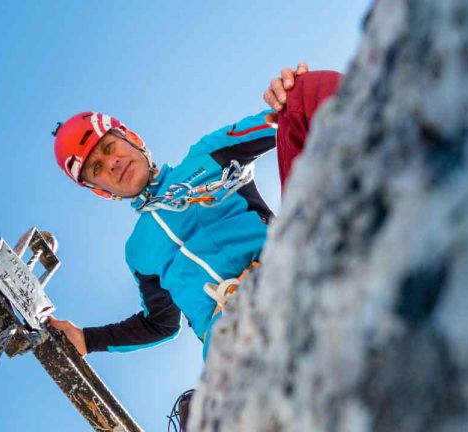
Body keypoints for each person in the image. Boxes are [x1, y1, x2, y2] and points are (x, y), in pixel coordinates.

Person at [48, 64, 342, 361]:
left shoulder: (207, 155)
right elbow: (159, 323)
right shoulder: (138, 252)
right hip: (236, 343)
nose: (111, 162)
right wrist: (87, 339)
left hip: (292, 272)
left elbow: (283, 121)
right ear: (100, 190)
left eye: (109, 147)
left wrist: (287, 91)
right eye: (97, 168)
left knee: (303, 92)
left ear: (133, 139)